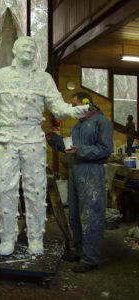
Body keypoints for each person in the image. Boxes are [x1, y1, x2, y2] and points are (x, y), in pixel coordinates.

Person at [0, 36, 90, 256]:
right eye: (25, 46)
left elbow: (57, 107)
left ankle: (36, 239)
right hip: (7, 139)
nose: (29, 49)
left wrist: (72, 111)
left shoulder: (44, 79)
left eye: (33, 47)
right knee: (5, 190)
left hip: (33, 139)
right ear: (15, 50)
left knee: (36, 191)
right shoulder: (0, 77)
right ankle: (8, 238)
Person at [46, 92, 113, 273]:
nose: (72, 108)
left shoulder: (102, 122)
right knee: (75, 214)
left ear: (86, 103)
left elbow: (106, 150)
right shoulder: (79, 125)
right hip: (75, 174)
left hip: (91, 174)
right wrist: (56, 141)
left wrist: (81, 150)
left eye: (74, 104)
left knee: (90, 216)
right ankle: (80, 250)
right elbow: (71, 148)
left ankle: (90, 259)